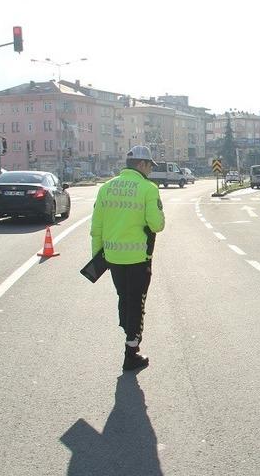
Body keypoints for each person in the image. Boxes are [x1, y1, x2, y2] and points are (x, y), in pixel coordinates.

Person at [91, 146, 165, 371]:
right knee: (137, 302)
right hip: (138, 258)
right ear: (142, 165)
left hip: (113, 257)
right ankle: (131, 351)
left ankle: (127, 329)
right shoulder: (148, 189)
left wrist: (97, 259)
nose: (151, 169)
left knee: (123, 297)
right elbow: (157, 225)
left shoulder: (106, 188)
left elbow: (97, 227)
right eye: (150, 165)